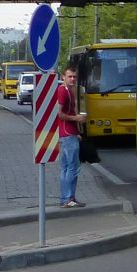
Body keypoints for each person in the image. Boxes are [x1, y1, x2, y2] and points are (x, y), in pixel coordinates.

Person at [55, 67, 87, 208]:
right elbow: (60, 114)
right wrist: (77, 118)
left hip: (68, 133)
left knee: (65, 167)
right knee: (73, 167)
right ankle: (69, 198)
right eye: (70, 76)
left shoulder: (70, 91)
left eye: (74, 76)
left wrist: (77, 133)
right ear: (63, 77)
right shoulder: (63, 91)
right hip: (67, 134)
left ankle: (65, 198)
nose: (72, 79)